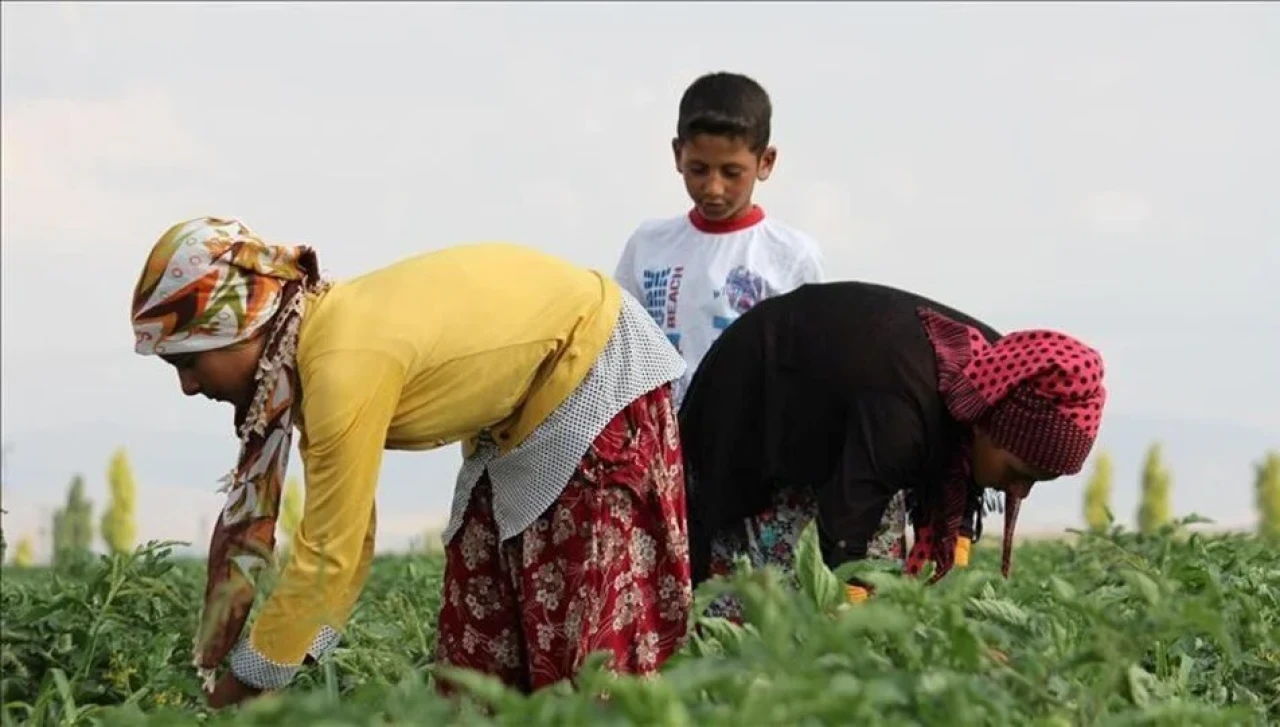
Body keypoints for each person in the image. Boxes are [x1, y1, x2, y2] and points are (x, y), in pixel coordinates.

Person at [129, 217, 692, 707]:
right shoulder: (316, 348)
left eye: (189, 361)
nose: (187, 386)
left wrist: (243, 687)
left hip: (593, 374)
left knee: (583, 650)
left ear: (240, 329)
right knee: (480, 639)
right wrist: (270, 668)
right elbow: (344, 543)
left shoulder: (339, 365)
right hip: (519, 411)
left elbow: (331, 548)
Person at [612, 70, 907, 576]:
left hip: (754, 455)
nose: (713, 187)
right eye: (697, 169)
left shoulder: (789, 256)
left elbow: (810, 363)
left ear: (765, 163)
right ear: (676, 153)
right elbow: (622, 344)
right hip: (667, 449)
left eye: (732, 171)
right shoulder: (649, 245)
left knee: (750, 589)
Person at [676, 281, 1107, 618]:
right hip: (756, 401)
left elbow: (956, 495)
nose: (1020, 491)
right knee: (763, 595)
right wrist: (854, 618)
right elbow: (847, 530)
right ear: (990, 428)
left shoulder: (998, 380)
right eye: (1020, 472)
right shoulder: (904, 414)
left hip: (840, 417)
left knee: (882, 581)